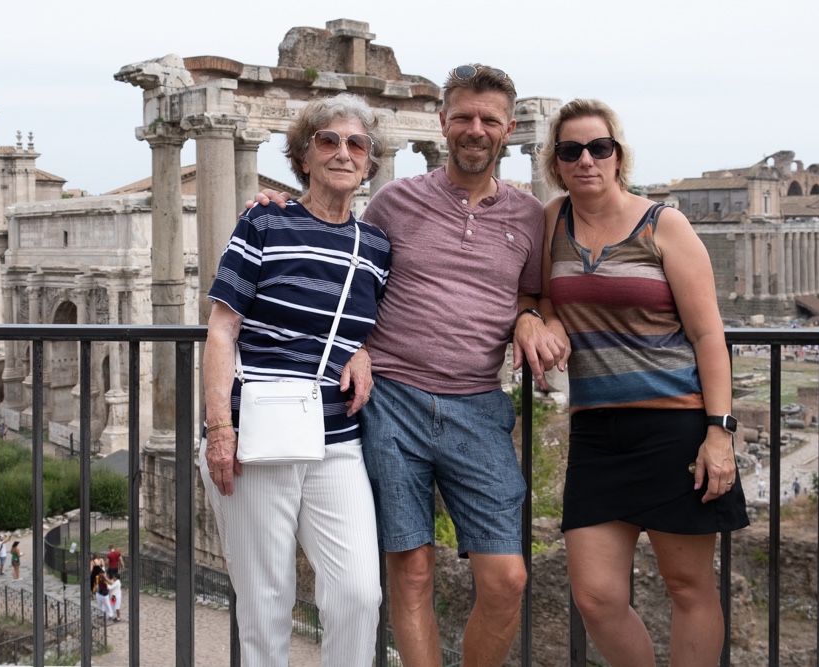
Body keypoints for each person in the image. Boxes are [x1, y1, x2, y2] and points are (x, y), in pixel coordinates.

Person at [250, 64, 565, 666]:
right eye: (463, 116)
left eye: (489, 119)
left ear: (509, 129)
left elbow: (533, 291)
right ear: (442, 122)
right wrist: (280, 207)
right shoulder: (395, 200)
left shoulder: (529, 215)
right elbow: (342, 252)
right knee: (411, 570)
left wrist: (529, 315)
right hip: (393, 401)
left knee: (507, 579)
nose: (475, 129)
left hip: (478, 405)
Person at [536, 97, 749, 666]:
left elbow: (707, 334)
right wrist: (542, 318)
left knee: (687, 587)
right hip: (596, 432)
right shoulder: (551, 220)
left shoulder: (664, 224)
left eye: (598, 147)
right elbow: (535, 293)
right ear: (555, 162)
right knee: (596, 597)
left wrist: (719, 432)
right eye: (571, 150)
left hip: (675, 427)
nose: (586, 160)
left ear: (618, 155)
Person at [200, 92, 391, 667]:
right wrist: (219, 430)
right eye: (328, 140)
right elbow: (221, 330)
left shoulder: (377, 247)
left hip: (337, 439)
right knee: (265, 602)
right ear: (304, 156)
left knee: (359, 594)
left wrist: (364, 350)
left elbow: (376, 322)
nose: (343, 152)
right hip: (256, 436)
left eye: (356, 144)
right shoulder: (264, 220)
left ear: (370, 162)